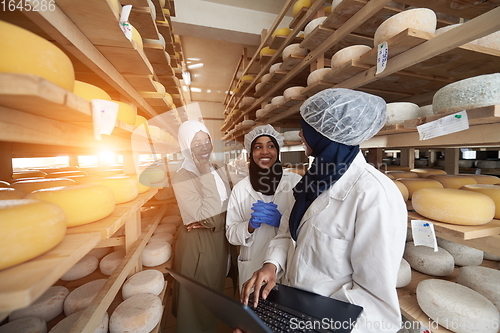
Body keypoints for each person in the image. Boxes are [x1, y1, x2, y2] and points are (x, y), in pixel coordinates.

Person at [238, 88, 408, 333]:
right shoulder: (313, 180)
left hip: (326, 325)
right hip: (292, 307)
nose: (300, 133)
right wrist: (271, 265)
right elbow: (288, 234)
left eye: (306, 127)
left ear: (327, 132)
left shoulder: (375, 194)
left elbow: (375, 302)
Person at [171, 120, 231, 333]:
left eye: (206, 140)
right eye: (196, 143)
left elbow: (226, 206)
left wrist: (215, 218)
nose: (204, 147)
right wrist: (204, 171)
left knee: (211, 302)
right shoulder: (183, 176)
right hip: (199, 249)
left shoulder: (216, 169)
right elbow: (214, 218)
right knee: (196, 310)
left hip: (217, 243)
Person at [225, 125, 302, 292]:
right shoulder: (240, 189)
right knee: (254, 313)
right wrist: (249, 226)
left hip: (286, 265)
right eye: (258, 147)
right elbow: (230, 234)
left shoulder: (295, 182)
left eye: (271, 146)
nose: (265, 151)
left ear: (278, 150)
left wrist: (282, 221)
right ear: (251, 153)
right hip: (252, 264)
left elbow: (305, 227)